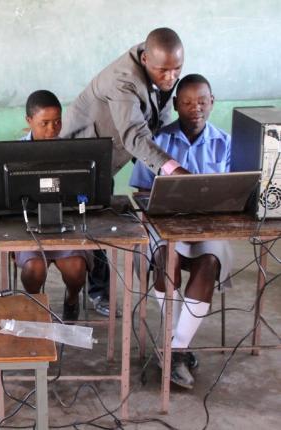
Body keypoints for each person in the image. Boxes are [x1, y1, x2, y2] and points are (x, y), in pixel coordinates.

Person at [61, 27, 188, 317]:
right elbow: (134, 136)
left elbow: (153, 122)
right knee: (91, 222)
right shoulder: (124, 79)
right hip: (82, 157)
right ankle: (96, 292)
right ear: (145, 59)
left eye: (177, 69)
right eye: (163, 70)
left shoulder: (160, 66)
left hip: (112, 153)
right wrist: (174, 170)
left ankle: (109, 286)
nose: (170, 77)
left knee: (112, 216)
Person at [129, 74, 232, 389]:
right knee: (164, 255)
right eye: (187, 102)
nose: (195, 108)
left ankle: (174, 347)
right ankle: (178, 349)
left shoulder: (225, 142)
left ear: (212, 101)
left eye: (202, 101)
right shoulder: (158, 142)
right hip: (167, 227)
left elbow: (235, 191)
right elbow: (140, 192)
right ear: (175, 105)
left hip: (208, 228)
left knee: (209, 262)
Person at [16, 90, 93, 321]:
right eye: (44, 123)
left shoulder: (71, 151)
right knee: (34, 269)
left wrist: (83, 199)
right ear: (29, 121)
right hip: (29, 227)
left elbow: (85, 192)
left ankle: (71, 299)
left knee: (76, 268)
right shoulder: (13, 152)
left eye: (57, 122)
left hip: (65, 223)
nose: (52, 129)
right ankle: (37, 305)